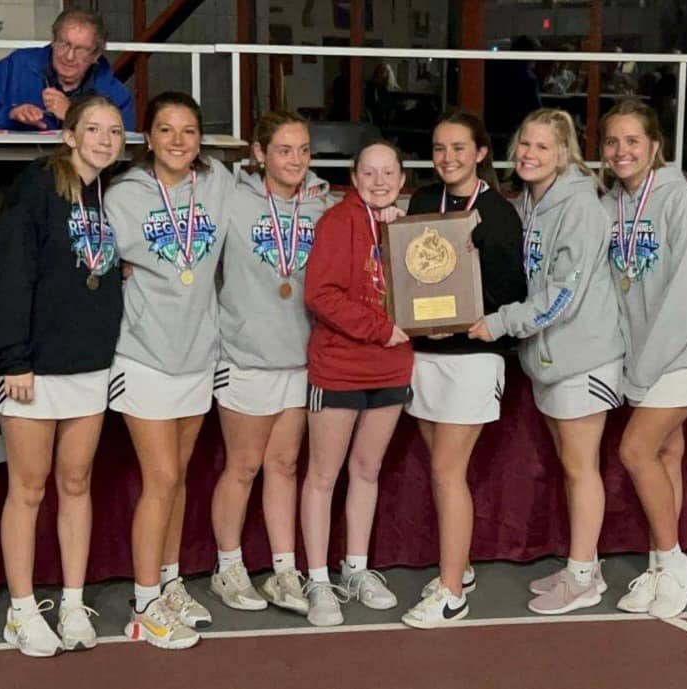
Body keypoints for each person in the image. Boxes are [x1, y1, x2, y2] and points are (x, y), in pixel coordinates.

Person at [0, 94, 125, 657]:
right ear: (69, 135)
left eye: (114, 131)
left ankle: (70, 598)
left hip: (88, 365)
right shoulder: (39, 187)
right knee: (30, 488)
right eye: (94, 129)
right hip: (32, 368)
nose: (105, 140)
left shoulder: (107, 194)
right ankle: (20, 608)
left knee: (76, 483)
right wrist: (11, 357)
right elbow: (10, 271)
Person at [468, 109, 622, 615]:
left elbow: (562, 297)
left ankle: (583, 578)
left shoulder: (578, 207)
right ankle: (585, 565)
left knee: (581, 468)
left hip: (584, 357)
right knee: (571, 466)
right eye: (524, 145)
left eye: (541, 147)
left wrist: (502, 321)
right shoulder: (534, 202)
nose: (529, 154)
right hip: (552, 359)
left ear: (564, 153)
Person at [104, 91, 234, 650]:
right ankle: (143, 604)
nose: (178, 140)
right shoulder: (124, 196)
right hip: (144, 357)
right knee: (159, 480)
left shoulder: (220, 185)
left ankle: (171, 580)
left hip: (197, 355)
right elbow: (90, 260)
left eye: (188, 130)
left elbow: (282, 196)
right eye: (166, 130)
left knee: (177, 480)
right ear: (149, 139)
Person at [600, 99, 687, 619]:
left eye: (633, 141)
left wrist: (646, 365)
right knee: (666, 455)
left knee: (635, 450)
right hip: (647, 355)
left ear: (655, 146)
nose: (622, 151)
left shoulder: (680, 201)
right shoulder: (615, 203)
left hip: (685, 351)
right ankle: (660, 564)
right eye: (612, 142)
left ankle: (676, 561)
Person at [399, 111, 527, 629]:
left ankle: (451, 593)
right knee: (439, 467)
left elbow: (513, 296)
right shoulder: (423, 203)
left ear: (480, 153)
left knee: (449, 473)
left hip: (472, 358)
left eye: (458, 148)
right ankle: (463, 568)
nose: (447, 157)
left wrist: (481, 321)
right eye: (438, 148)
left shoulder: (499, 213)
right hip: (425, 354)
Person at [209, 110, 333, 615]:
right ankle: (228, 567)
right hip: (246, 356)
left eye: (304, 150)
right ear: (259, 154)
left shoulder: (321, 204)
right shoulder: (232, 199)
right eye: (284, 150)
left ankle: (284, 571)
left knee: (283, 466)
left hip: (300, 358)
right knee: (243, 467)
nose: (296, 160)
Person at [300, 141, 413, 627]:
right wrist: (380, 328)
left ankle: (356, 568)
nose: (380, 180)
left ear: (402, 179)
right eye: (370, 171)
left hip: (392, 367)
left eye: (389, 172)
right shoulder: (336, 221)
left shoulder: (407, 226)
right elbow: (319, 294)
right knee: (324, 476)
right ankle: (318, 579)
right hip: (341, 366)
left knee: (367, 471)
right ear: (354, 175)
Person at [0, 8, 135, 295]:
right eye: (63, 44)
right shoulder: (19, 66)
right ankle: (1, 291)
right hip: (9, 187)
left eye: (81, 50)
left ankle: (63, 294)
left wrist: (72, 114)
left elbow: (124, 143)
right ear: (53, 41)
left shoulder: (110, 88)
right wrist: (9, 114)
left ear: (95, 56)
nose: (69, 56)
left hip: (75, 195)